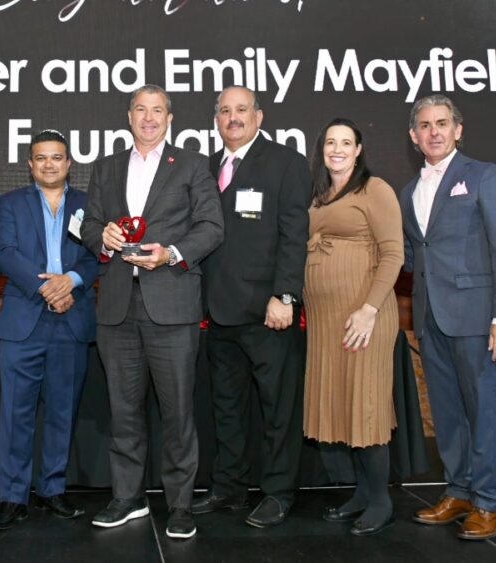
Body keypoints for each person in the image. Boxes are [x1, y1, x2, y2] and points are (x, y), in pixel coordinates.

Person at [81, 84, 224, 540]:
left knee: (178, 412)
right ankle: (127, 498)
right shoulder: (106, 168)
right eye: (140, 110)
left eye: (157, 110)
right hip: (118, 309)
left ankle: (180, 504)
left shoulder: (192, 164)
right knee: (123, 411)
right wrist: (99, 236)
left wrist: (173, 253)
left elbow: (212, 226)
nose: (148, 117)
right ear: (129, 117)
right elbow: (86, 223)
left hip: (173, 305)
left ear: (170, 118)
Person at [400, 95, 496, 540]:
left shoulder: (484, 176)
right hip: (431, 317)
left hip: (476, 317)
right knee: (448, 412)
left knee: (483, 410)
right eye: (425, 125)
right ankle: (459, 490)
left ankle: (489, 501)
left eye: (442, 123)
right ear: (414, 137)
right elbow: (412, 256)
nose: (434, 131)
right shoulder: (408, 191)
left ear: (458, 129)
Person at [194, 85, 311, 528]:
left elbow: (294, 235)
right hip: (219, 313)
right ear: (216, 120)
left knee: (278, 409)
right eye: (224, 111)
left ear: (259, 116)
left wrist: (285, 296)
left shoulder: (286, 163)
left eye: (241, 110)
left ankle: (279, 492)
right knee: (227, 408)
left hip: (269, 314)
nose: (233, 118)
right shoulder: (207, 168)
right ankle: (229, 487)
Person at [0, 130, 98, 530]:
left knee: (62, 412)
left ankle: (52, 489)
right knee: (16, 414)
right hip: (23, 321)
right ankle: (12, 497)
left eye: (57, 157)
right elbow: (5, 254)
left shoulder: (88, 205)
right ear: (30, 165)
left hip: (72, 319)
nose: (49, 164)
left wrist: (72, 282)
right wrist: (47, 288)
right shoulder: (10, 203)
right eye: (41, 158)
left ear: (69, 163)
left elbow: (97, 256)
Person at [302, 118, 404, 535]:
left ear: (359, 150)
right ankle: (362, 492)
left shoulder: (375, 190)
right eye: (330, 142)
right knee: (344, 403)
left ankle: (381, 500)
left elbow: (393, 254)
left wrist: (369, 309)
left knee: (366, 404)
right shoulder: (318, 195)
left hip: (364, 316)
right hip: (326, 321)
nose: (337, 149)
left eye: (346, 142)